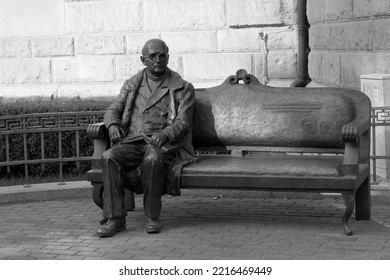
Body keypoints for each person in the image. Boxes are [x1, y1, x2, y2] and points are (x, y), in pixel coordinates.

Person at [97, 39, 196, 237]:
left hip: (165, 144)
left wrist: (166, 133)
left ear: (168, 57)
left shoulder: (182, 88)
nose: (158, 60)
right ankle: (115, 219)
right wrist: (113, 124)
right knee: (109, 157)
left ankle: (152, 216)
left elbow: (183, 122)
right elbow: (112, 109)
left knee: (153, 159)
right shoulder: (132, 85)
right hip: (133, 141)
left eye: (162, 55)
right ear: (143, 60)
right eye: (153, 56)